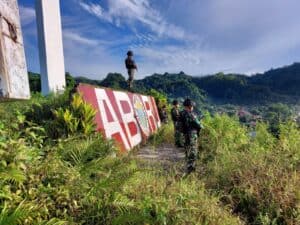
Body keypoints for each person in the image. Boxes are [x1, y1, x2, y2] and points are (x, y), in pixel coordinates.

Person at [180, 98, 202, 174]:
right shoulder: (191, 114)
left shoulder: (182, 113)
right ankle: (191, 166)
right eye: (192, 106)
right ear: (190, 106)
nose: (192, 107)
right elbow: (198, 125)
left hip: (185, 133)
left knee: (187, 147)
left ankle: (188, 162)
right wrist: (201, 126)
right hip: (192, 134)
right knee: (193, 149)